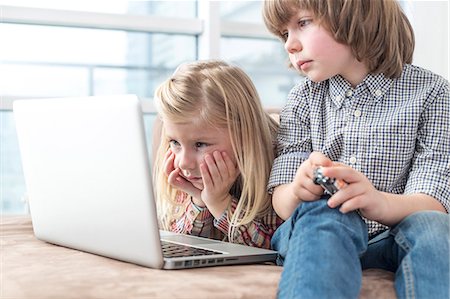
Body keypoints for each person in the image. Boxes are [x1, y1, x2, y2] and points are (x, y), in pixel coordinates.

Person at [262, 0, 449, 297]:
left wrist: (376, 202)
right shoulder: (302, 99)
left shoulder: (432, 93)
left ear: (356, 14)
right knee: (328, 209)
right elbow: (282, 202)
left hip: (390, 238)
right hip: (318, 233)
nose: (290, 45)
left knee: (433, 225)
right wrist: (298, 190)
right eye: (284, 34)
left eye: (303, 23)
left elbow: (434, 202)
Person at [153, 60, 283, 249]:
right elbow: (180, 248)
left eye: (200, 144)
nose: (184, 163)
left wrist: (220, 203)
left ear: (243, 135)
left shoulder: (279, 165)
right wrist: (198, 200)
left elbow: (274, 250)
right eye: (175, 143)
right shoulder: (189, 173)